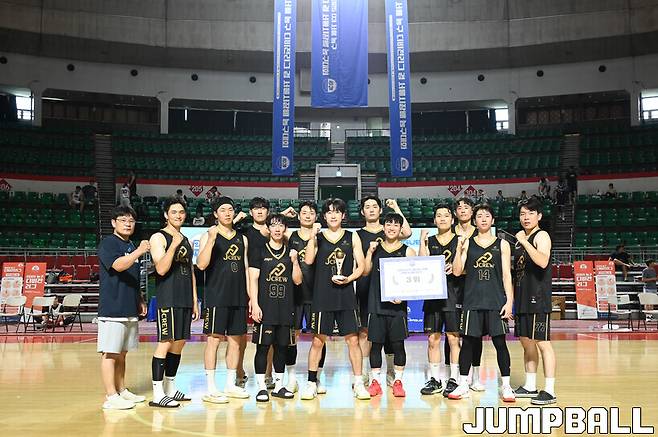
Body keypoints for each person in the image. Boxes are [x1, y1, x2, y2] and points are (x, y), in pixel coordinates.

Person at [300, 198, 370, 400]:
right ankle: (312, 382)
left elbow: (362, 266)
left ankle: (358, 383)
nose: (333, 215)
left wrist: (349, 278)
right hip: (322, 295)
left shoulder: (352, 236)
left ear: (343, 215)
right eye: (329, 212)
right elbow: (308, 260)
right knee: (317, 341)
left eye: (337, 212)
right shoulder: (318, 236)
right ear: (324, 216)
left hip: (346, 295)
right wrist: (312, 237)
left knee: (353, 340)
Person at [449, 204, 515, 403]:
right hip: (472, 301)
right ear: (474, 221)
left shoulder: (502, 244)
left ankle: (506, 386)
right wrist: (459, 249)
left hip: (495, 301)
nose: (483, 219)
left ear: (492, 220)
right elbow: (457, 271)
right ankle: (463, 384)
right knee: (468, 343)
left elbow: (506, 275)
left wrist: (509, 301)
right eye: (479, 216)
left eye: (487, 216)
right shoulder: (467, 243)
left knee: (500, 344)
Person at [196, 196, 250, 402]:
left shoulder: (242, 239)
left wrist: (250, 297)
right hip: (216, 296)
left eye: (230, 209)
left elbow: (246, 269)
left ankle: (229, 384)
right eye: (223, 210)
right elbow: (201, 265)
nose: (227, 213)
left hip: (238, 297)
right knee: (213, 341)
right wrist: (211, 240)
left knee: (236, 341)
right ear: (215, 214)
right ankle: (211, 387)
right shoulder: (208, 235)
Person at [148, 197, 199, 408]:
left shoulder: (185, 238)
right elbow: (161, 269)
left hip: (185, 297)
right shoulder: (158, 237)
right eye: (174, 212)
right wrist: (174, 244)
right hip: (168, 296)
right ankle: (157, 393)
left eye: (181, 212)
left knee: (179, 343)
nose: (178, 215)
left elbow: (191, 271)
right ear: (166, 215)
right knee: (166, 342)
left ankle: (170, 387)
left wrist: (195, 299)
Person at [97, 206, 149, 410]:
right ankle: (111, 396)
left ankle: (121, 389)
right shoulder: (108, 243)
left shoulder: (131, 245)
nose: (128, 224)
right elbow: (118, 266)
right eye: (123, 220)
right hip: (113, 307)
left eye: (131, 221)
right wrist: (139, 251)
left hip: (129, 306)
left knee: (122, 353)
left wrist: (140, 299)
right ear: (113, 223)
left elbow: (132, 276)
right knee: (110, 353)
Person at [355, 196, 411, 386]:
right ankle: (365, 373)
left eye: (375, 206)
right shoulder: (358, 235)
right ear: (362, 211)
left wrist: (395, 206)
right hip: (368, 289)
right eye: (367, 207)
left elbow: (407, 231)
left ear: (380, 210)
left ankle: (391, 372)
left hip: (393, 292)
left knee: (392, 337)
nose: (371, 209)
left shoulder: (389, 229)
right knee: (365, 332)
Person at [249, 214, 303, 402]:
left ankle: (279, 386)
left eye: (281, 225)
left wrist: (295, 261)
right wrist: (255, 304)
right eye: (273, 225)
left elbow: (298, 280)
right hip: (266, 307)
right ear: (268, 229)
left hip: (285, 307)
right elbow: (253, 279)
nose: (277, 229)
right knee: (263, 347)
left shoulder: (291, 252)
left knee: (282, 347)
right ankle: (261, 387)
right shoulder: (259, 251)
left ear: (285, 229)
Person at [513, 198, 557, 405]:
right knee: (526, 342)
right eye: (523, 214)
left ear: (539, 216)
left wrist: (523, 242)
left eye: (530, 213)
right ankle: (530, 385)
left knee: (543, 343)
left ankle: (550, 390)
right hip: (522, 298)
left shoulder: (542, 235)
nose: (526, 217)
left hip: (538, 299)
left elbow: (542, 261)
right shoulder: (521, 239)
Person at [419, 204, 461, 397]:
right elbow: (422, 263)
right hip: (433, 295)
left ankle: (454, 379)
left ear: (452, 219)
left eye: (446, 215)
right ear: (434, 220)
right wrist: (422, 242)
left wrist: (455, 266)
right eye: (439, 215)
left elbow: (463, 268)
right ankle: (435, 379)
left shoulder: (459, 240)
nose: (442, 218)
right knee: (433, 339)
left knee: (453, 338)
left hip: (453, 294)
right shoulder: (430, 240)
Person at [286, 201, 325, 394]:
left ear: (316, 216)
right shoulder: (290, 235)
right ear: (298, 216)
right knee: (292, 336)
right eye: (304, 212)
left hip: (317, 294)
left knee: (320, 338)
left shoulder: (321, 237)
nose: (307, 215)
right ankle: (291, 378)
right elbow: (269, 228)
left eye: (311, 213)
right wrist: (283, 214)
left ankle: (316, 378)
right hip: (294, 295)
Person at [452, 197, 484, 394]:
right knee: (453, 334)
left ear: (472, 212)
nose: (463, 210)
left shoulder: (479, 232)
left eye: (466, 207)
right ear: (455, 212)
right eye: (459, 207)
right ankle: (454, 377)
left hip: (474, 288)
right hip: (452, 288)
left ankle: (476, 376)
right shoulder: (449, 232)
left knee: (474, 335)